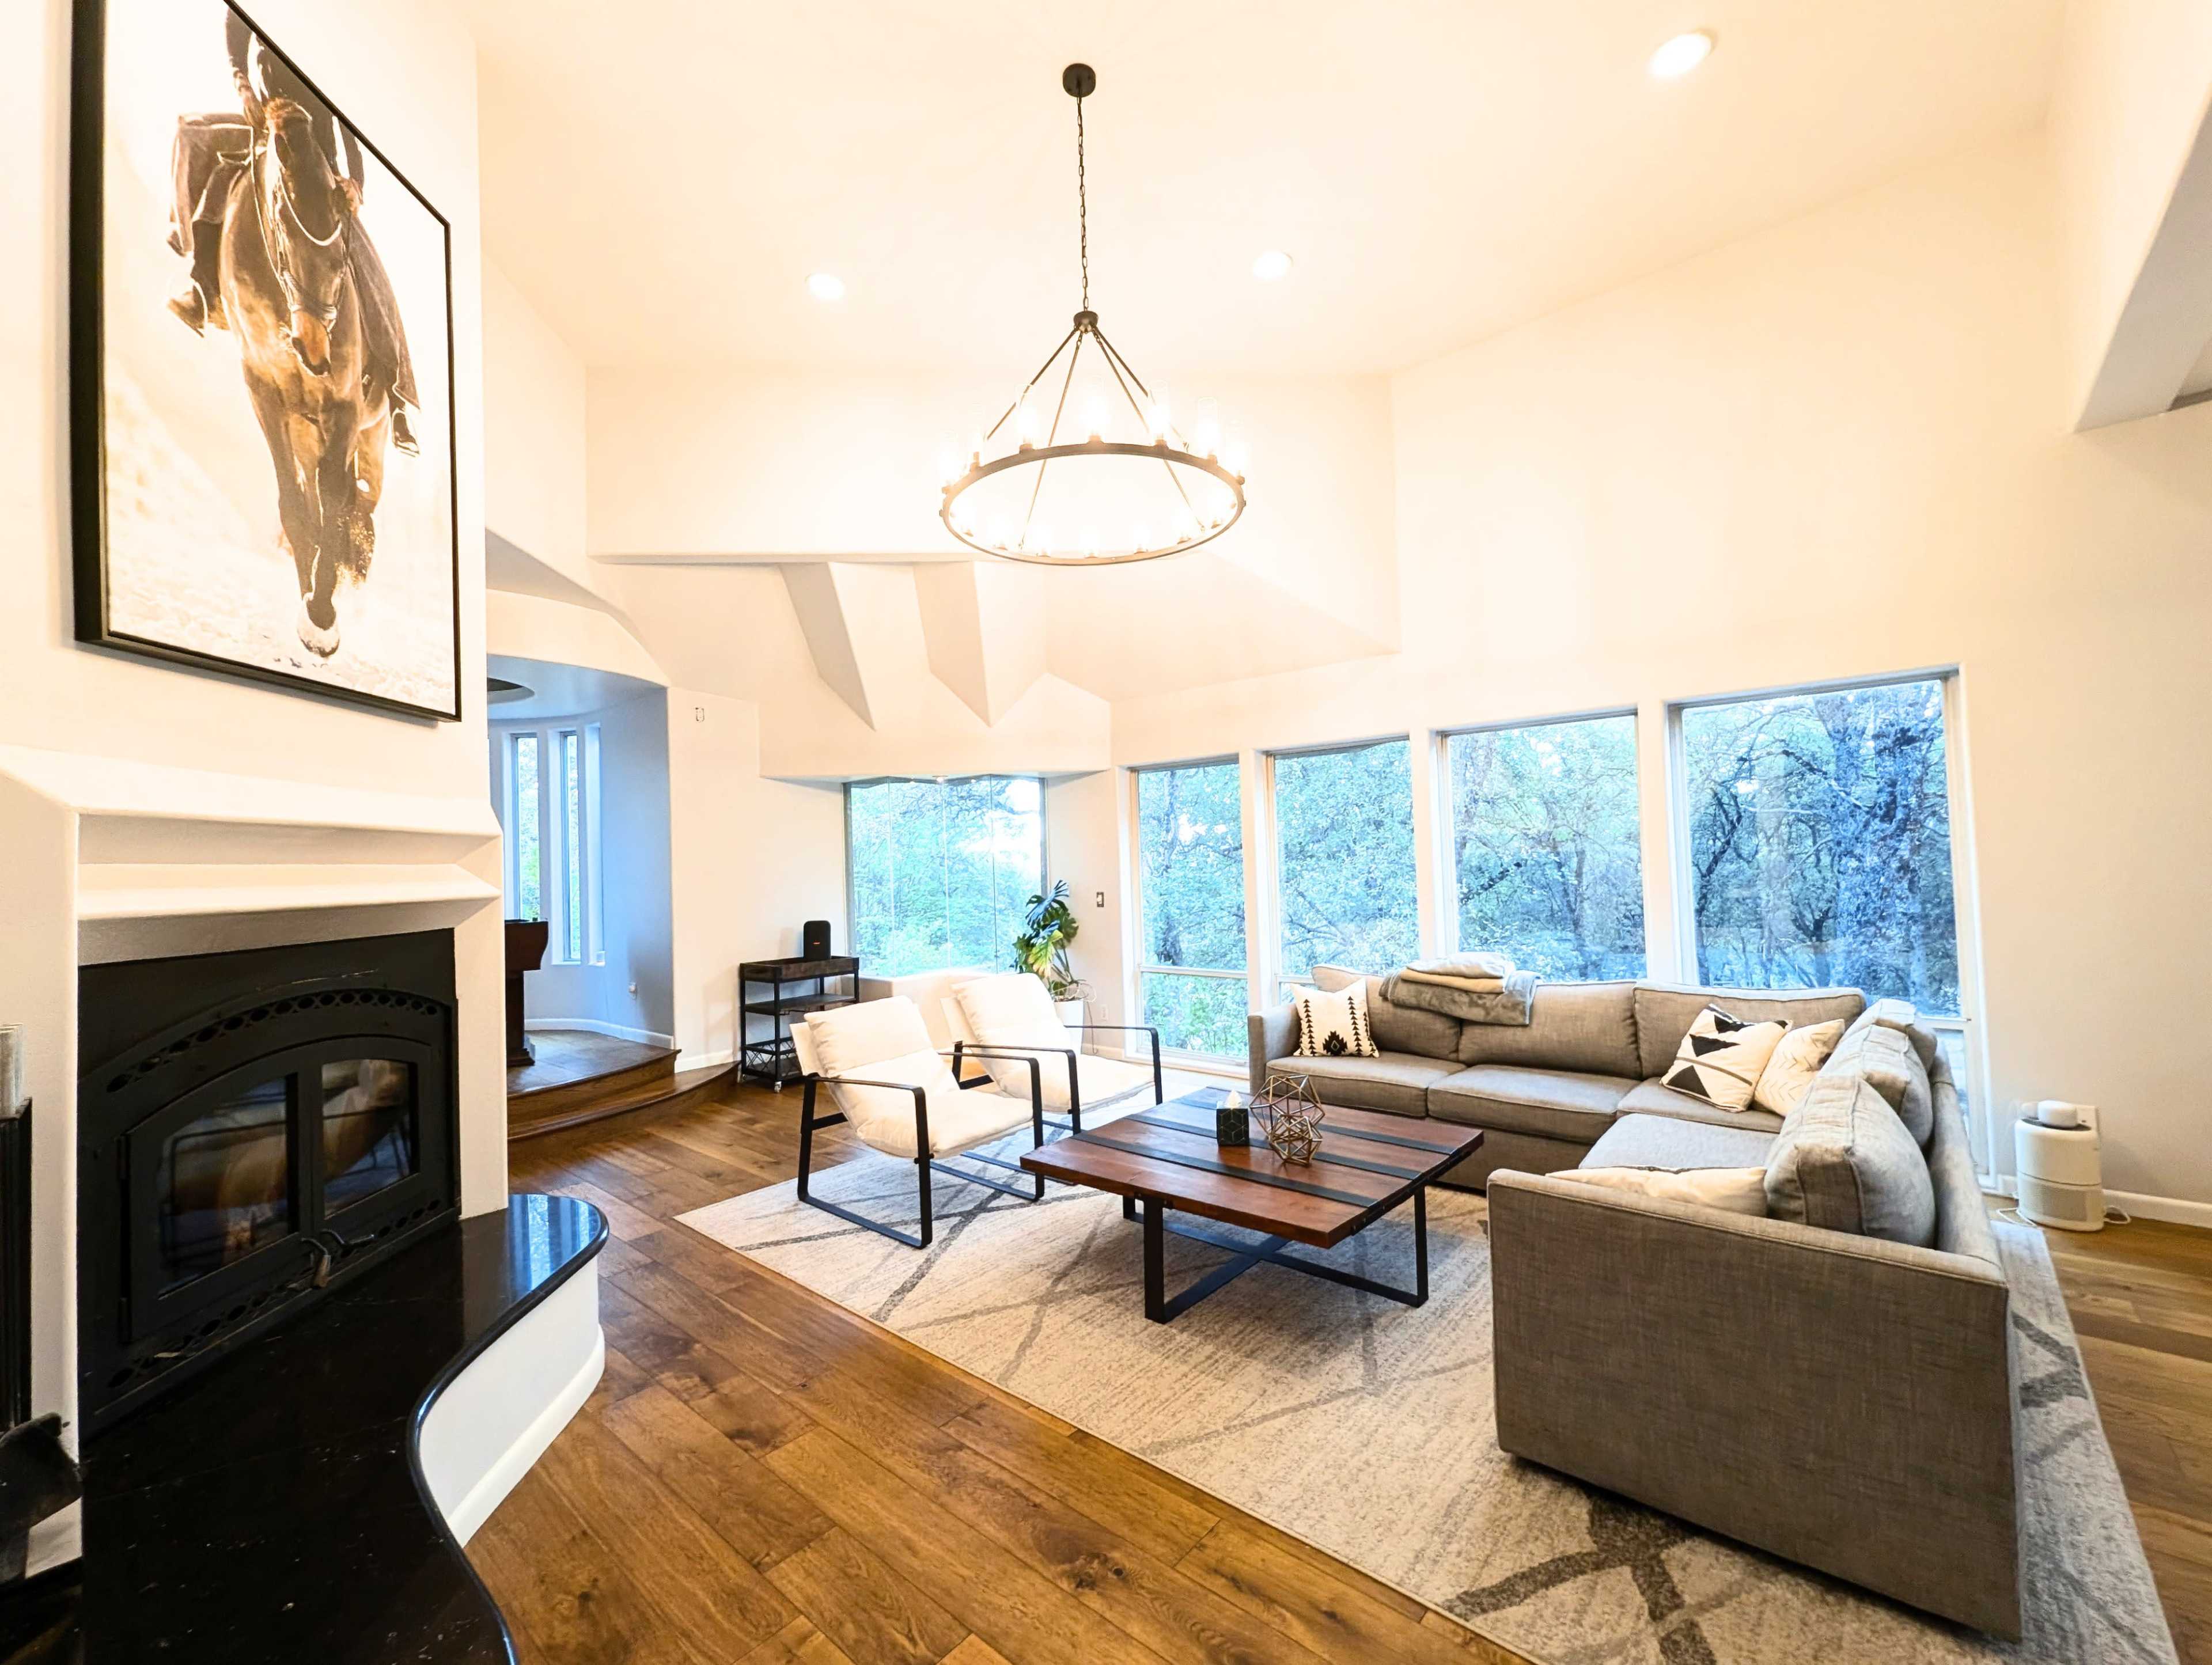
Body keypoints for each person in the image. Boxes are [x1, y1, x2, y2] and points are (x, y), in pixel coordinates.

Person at [166, 14, 420, 455]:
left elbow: (349, 127)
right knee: (194, 136)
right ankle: (203, 286)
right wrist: (242, 84)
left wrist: (355, 182)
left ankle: (396, 393)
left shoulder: (333, 48)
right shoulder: (269, 23)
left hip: (320, 165)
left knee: (370, 267)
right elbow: (235, 24)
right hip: (266, 132)